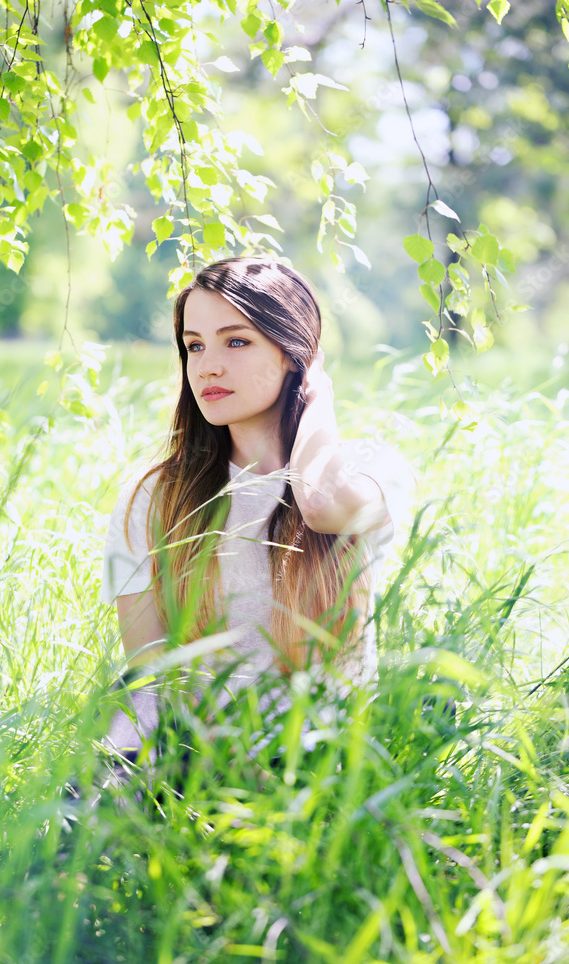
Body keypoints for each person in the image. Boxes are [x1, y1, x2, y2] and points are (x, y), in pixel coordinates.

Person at [99, 256, 416, 788]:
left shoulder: (371, 471)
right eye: (194, 345)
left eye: (236, 341)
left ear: (295, 355)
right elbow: (150, 678)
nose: (207, 367)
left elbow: (319, 505)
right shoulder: (154, 495)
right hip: (197, 771)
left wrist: (319, 396)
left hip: (322, 774)